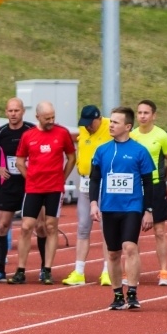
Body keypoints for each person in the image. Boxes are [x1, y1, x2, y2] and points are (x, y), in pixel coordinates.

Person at [89, 106, 155, 310]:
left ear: (127, 126)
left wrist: (148, 210)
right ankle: (118, 294)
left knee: (130, 247)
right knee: (113, 253)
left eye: (115, 122)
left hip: (132, 207)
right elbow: (94, 179)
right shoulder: (102, 151)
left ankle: (132, 293)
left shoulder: (139, 151)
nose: (111, 125)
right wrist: (93, 203)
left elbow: (148, 183)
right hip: (109, 208)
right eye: (111, 122)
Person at [8, 101, 75, 285]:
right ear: (37, 117)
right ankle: (20, 270)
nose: (51, 120)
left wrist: (62, 177)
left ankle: (46, 270)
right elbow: (20, 161)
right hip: (34, 188)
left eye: (53, 117)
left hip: (54, 188)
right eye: (47, 118)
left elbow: (71, 157)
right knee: (26, 227)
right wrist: (29, 177)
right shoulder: (28, 136)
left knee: (51, 226)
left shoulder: (62, 133)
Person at [0, 98, 42, 283]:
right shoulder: (0, 133)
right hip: (9, 184)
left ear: (23, 111)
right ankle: (0, 270)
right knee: (2, 225)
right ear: (6, 113)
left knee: (39, 226)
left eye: (17, 110)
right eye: (10, 111)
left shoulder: (32, 130)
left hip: (31, 183)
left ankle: (45, 269)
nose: (13, 114)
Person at [62, 105, 113, 286]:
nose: (87, 127)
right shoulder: (84, 130)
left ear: (98, 118)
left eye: (90, 123)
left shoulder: (110, 126)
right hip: (85, 183)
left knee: (107, 229)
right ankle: (79, 271)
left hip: (105, 183)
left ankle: (108, 271)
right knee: (83, 227)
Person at [129, 100, 167, 286]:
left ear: (154, 115)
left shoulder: (162, 136)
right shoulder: (132, 135)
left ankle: (164, 271)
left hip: (156, 187)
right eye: (139, 112)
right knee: (133, 230)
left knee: (159, 231)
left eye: (146, 113)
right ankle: (133, 271)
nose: (142, 116)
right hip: (135, 188)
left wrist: (162, 180)